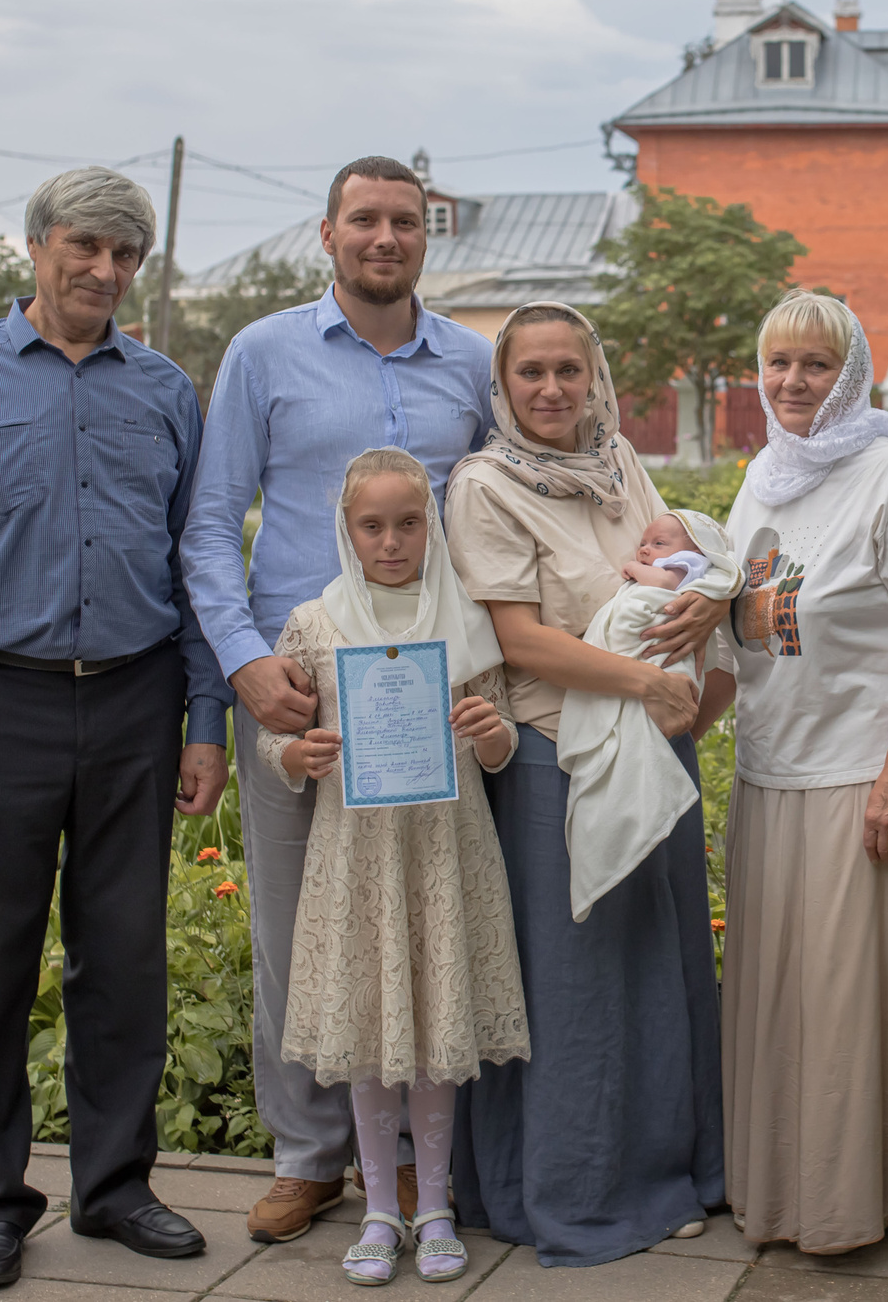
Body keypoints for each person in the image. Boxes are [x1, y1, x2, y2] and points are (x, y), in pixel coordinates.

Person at [0, 167, 232, 1291]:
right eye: (85, 248)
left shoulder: (167, 391)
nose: (105, 272)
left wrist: (204, 719)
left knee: (123, 961)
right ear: (35, 249)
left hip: (134, 700)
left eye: (125, 256)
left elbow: (197, 566)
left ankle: (116, 1186)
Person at [181, 155, 499, 1242]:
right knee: (299, 930)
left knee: (422, 915)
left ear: (426, 236)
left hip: (430, 684)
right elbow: (212, 522)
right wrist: (241, 662)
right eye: (363, 219)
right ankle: (310, 1154)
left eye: (404, 221)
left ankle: (410, 1165)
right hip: (301, 686)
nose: (385, 238)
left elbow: (505, 510)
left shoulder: (472, 361)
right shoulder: (263, 353)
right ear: (326, 234)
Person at [444, 301, 734, 1267]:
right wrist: (645, 677)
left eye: (571, 369)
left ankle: (672, 1173)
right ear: (504, 381)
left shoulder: (619, 463)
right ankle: (577, 1192)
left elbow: (670, 565)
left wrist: (702, 604)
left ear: (595, 375)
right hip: (555, 758)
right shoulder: (484, 486)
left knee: (659, 968)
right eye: (533, 372)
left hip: (652, 739)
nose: (554, 389)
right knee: (575, 991)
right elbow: (521, 639)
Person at [719, 289, 888, 1255]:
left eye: (816, 364)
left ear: (852, 373)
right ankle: (790, 1193)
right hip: (774, 776)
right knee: (795, 1001)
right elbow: (749, 624)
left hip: (864, 779)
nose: (792, 381)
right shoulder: (763, 479)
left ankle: (863, 1201)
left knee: (849, 1001)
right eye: (778, 362)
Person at [255, 448, 529, 1286]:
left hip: (446, 852)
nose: (391, 540)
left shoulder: (465, 619)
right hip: (357, 858)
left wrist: (488, 731)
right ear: (347, 529)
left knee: (436, 1026)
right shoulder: (316, 621)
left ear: (430, 525)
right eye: (372, 525)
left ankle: (436, 1204)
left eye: (408, 522)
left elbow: (505, 736)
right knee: (373, 1030)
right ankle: (378, 1206)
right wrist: (297, 752)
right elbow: (274, 740)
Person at [557, 507, 736, 922]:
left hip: (659, 642)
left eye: (660, 543)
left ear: (695, 551)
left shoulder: (687, 567)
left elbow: (662, 587)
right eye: (645, 542)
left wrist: (633, 571)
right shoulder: (675, 558)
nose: (646, 549)